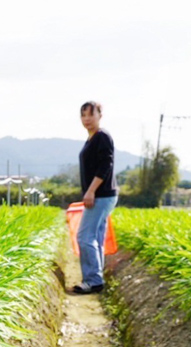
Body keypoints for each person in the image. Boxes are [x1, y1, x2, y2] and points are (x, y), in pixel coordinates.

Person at [72, 101, 118, 294]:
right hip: (102, 195)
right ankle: (95, 278)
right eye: (83, 115)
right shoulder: (92, 138)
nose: (87, 119)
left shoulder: (102, 137)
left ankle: (93, 280)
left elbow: (105, 166)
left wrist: (90, 191)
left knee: (84, 236)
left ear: (100, 115)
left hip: (100, 195)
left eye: (91, 114)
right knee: (95, 237)